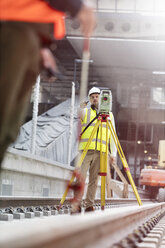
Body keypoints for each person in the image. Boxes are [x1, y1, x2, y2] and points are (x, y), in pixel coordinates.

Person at [0, 0, 96, 168]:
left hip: (26, 33)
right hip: (14, 27)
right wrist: (76, 6)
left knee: (8, 130)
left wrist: (42, 46)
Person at [75, 87, 117, 212]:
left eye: (97, 96)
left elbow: (113, 135)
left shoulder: (109, 115)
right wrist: (81, 107)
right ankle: (76, 204)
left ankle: (89, 205)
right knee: (81, 178)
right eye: (92, 97)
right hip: (86, 151)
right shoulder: (85, 112)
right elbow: (77, 114)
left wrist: (113, 153)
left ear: (101, 98)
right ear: (89, 99)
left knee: (94, 180)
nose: (95, 98)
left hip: (101, 152)